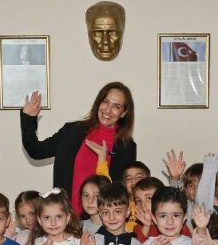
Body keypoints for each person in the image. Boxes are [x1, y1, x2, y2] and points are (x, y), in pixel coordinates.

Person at [20, 82, 138, 216]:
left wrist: (103, 161)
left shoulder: (126, 147)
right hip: (65, 219)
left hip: (104, 221)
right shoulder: (72, 131)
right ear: (98, 103)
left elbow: (121, 192)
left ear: (124, 113)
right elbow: (36, 151)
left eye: (116, 106)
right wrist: (28, 118)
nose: (108, 110)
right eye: (105, 102)